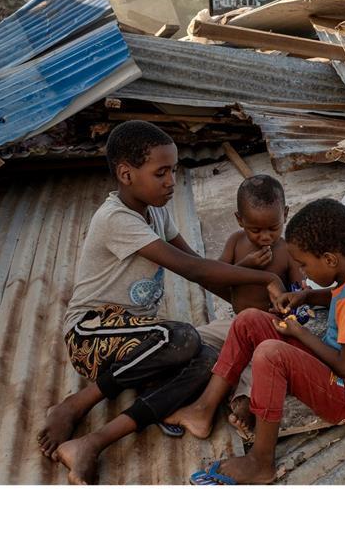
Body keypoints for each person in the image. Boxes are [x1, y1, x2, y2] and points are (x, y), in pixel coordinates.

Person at [35, 121, 286, 485]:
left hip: (140, 342)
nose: (171, 181)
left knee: (213, 360)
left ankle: (92, 442)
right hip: (91, 334)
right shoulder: (116, 218)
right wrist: (265, 278)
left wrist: (248, 313)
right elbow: (191, 265)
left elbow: (201, 274)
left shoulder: (156, 211)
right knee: (183, 338)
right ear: (126, 174)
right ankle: (74, 405)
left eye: (174, 170)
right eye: (161, 172)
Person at [169, 198, 345, 485]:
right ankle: (203, 409)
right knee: (249, 319)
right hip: (335, 375)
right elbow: (336, 295)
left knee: (270, 353)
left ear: (329, 260)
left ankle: (261, 461)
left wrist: (300, 334)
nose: (304, 272)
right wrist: (307, 295)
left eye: (304, 265)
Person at [196, 174, 307, 439]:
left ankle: (245, 404)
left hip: (270, 329)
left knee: (256, 364)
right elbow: (217, 275)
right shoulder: (236, 242)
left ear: (286, 214)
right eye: (255, 230)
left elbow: (300, 292)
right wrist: (246, 265)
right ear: (239, 220)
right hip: (236, 326)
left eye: (273, 228)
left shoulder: (288, 251)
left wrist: (296, 300)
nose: (265, 236)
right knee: (196, 337)